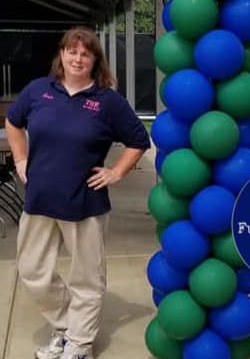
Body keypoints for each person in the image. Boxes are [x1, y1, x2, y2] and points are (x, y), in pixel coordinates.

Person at [5, 26, 150, 359]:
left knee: (86, 278)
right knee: (32, 270)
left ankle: (79, 344)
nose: (77, 58)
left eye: (85, 53)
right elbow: (14, 122)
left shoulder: (107, 101)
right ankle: (67, 327)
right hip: (39, 198)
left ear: (94, 61)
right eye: (72, 51)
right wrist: (21, 157)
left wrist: (116, 172)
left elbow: (138, 140)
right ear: (61, 54)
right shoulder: (38, 91)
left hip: (84, 202)